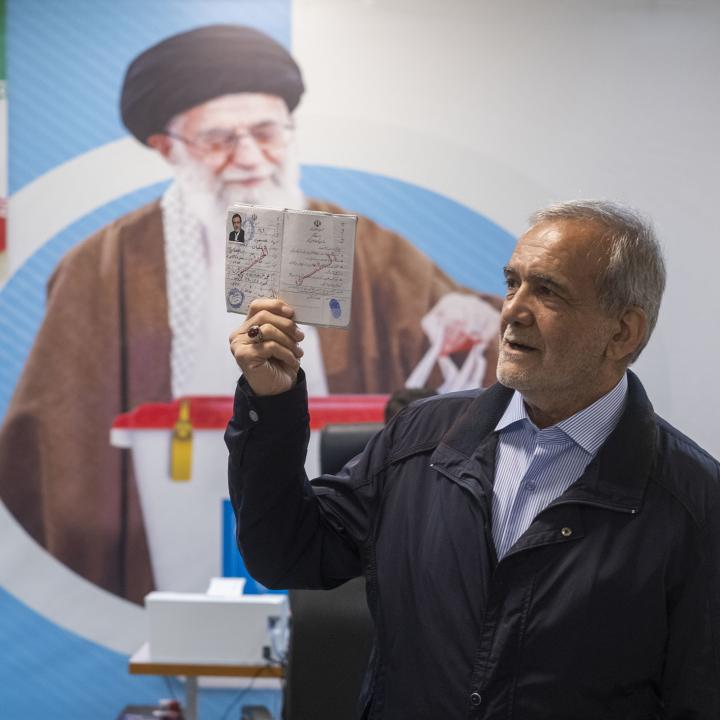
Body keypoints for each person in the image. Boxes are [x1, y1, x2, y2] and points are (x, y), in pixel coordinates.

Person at [0, 24, 501, 601]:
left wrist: (467, 318)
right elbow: (50, 443)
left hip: (331, 510)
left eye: (266, 132)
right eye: (218, 139)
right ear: (168, 148)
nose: (248, 158)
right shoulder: (102, 265)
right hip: (170, 509)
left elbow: (471, 334)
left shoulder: (361, 246)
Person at [227, 200, 720, 718]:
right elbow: (285, 551)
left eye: (547, 290)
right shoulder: (420, 438)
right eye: (513, 283)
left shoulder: (695, 505)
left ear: (622, 332)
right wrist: (271, 402)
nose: (513, 309)